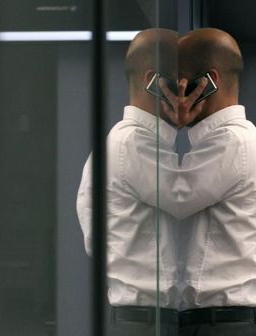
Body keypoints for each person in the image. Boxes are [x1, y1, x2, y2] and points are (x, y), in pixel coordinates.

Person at [76, 28, 207, 336]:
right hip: (144, 323)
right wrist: (188, 124)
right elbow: (181, 201)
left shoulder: (124, 142)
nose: (190, 90)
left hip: (141, 320)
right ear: (158, 82)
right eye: (185, 80)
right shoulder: (134, 145)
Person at [159, 28, 256, 336]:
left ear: (206, 83)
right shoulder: (240, 142)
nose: (170, 92)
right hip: (221, 323)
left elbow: (166, 197)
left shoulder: (231, 145)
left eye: (176, 82)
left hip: (215, 326)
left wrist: (163, 123)